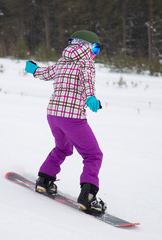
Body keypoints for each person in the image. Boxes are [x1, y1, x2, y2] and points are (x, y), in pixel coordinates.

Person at [24, 30, 106, 213]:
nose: (95, 54)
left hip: (53, 115)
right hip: (72, 118)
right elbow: (88, 84)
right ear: (88, 46)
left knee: (63, 148)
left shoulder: (63, 60)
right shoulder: (86, 63)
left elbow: (46, 74)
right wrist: (91, 98)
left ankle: (44, 180)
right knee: (93, 155)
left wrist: (34, 70)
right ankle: (89, 196)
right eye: (96, 48)